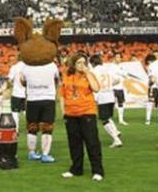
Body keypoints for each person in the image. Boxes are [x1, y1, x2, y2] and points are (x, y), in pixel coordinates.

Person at [60, 53, 105, 182]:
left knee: (92, 142)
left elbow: (96, 88)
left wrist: (88, 73)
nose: (81, 65)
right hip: (71, 114)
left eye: (84, 62)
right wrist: (64, 112)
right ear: (73, 64)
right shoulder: (67, 76)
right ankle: (76, 169)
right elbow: (62, 95)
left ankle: (97, 170)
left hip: (87, 112)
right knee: (74, 143)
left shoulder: (89, 75)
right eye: (79, 62)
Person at [20, 59, 59, 162]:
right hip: (48, 97)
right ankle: (45, 154)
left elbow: (22, 81)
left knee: (32, 126)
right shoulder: (52, 65)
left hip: (33, 98)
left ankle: (32, 153)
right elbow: (57, 79)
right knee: (47, 127)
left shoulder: (27, 65)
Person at [89, 54, 123, 148]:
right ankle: (116, 132)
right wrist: (109, 85)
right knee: (107, 117)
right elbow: (117, 80)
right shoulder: (107, 69)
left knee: (104, 119)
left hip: (102, 96)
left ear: (92, 63)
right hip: (111, 96)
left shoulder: (93, 71)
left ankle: (116, 140)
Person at [7, 58, 26, 133]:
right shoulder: (29, 67)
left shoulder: (14, 67)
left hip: (16, 93)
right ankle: (31, 128)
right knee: (27, 112)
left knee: (15, 113)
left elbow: (9, 80)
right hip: (26, 94)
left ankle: (16, 129)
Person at [109, 53, 128, 125]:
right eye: (117, 57)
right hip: (113, 88)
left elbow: (126, 75)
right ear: (114, 58)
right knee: (111, 104)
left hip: (120, 88)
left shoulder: (122, 66)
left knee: (121, 103)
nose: (118, 58)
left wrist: (123, 75)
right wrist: (113, 81)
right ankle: (109, 119)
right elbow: (109, 76)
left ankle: (121, 120)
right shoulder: (111, 67)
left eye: (119, 57)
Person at [145, 51, 158, 125]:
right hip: (153, 86)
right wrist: (150, 84)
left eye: (157, 55)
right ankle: (148, 119)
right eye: (154, 55)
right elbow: (151, 77)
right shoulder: (151, 65)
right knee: (150, 102)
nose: (156, 56)